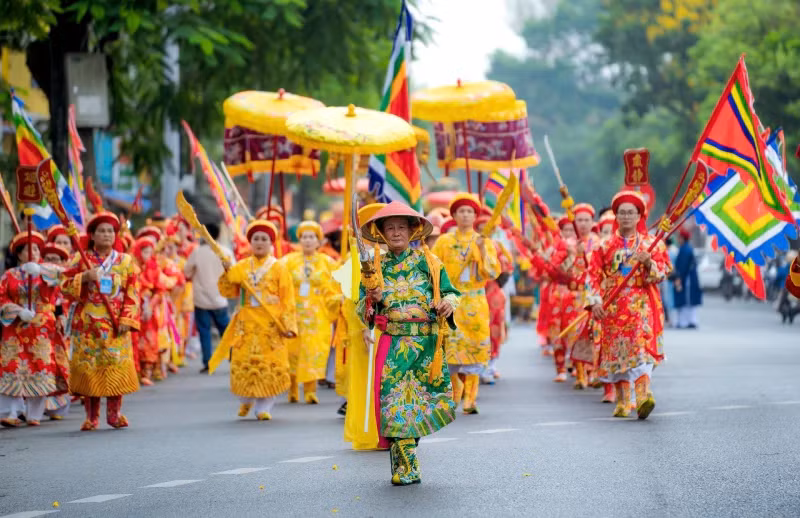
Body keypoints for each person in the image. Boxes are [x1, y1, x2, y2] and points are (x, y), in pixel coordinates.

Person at [357, 201, 459, 486]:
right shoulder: (373, 268)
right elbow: (361, 308)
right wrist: (371, 300)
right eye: (390, 227)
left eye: (402, 227)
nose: (396, 232)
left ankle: (405, 463)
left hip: (426, 345)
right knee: (394, 403)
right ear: (381, 233)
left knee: (418, 404)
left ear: (413, 230)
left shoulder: (430, 263)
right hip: (393, 344)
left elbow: (452, 293)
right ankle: (408, 466)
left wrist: (447, 304)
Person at [587, 191, 671, 419]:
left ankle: (643, 397)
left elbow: (663, 272)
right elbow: (592, 275)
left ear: (639, 216)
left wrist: (649, 263)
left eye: (630, 213)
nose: (626, 217)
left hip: (641, 304)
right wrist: (594, 303)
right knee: (617, 355)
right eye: (622, 213)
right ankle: (623, 402)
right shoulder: (603, 246)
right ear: (615, 215)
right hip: (613, 306)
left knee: (642, 352)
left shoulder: (651, 245)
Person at [61, 212, 141, 431]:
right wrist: (84, 278)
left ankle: (114, 415)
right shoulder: (80, 258)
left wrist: (127, 318)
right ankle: (91, 417)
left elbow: (132, 291)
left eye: (110, 231)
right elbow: (63, 286)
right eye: (102, 231)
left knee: (115, 366)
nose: (107, 235)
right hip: (87, 326)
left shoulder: (125, 262)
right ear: (92, 235)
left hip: (115, 324)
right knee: (90, 369)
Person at [211, 220, 297, 421]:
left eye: (264, 239)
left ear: (271, 242)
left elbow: (288, 298)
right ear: (250, 242)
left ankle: (264, 406)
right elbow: (228, 290)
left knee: (270, 363)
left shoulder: (279, 268)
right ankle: (246, 399)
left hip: (270, 323)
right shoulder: (241, 266)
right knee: (245, 362)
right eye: (256, 239)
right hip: (247, 323)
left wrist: (289, 324)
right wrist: (227, 271)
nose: (260, 242)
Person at [431, 193, 499, 414]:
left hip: (475, 301)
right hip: (450, 300)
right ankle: (454, 392)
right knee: (449, 347)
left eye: (470, 211)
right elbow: (433, 268)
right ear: (454, 215)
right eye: (461, 211)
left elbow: (492, 271)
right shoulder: (444, 242)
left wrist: (480, 250)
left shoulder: (484, 241)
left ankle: (471, 399)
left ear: (475, 216)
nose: (466, 215)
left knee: (474, 349)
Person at [0, 232, 63, 427]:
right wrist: (17, 310)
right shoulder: (9, 275)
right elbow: (2, 298)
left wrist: (40, 271)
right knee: (11, 366)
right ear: (19, 254)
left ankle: (34, 413)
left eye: (36, 249)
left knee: (40, 365)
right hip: (16, 327)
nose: (33, 252)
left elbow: (63, 276)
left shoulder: (47, 271)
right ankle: (10, 411)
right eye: (28, 249)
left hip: (40, 327)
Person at [282, 221, 342, 404]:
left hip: (318, 316)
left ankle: (310, 389)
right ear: (299, 240)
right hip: (294, 314)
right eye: (304, 237)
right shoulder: (288, 261)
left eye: (312, 237)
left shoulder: (328, 262)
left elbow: (338, 283)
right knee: (292, 351)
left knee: (314, 351)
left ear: (318, 241)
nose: (308, 241)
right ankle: (292, 387)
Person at [184, 223, 231, 373]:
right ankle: (235, 358)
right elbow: (234, 271)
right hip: (220, 298)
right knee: (227, 331)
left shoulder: (198, 252)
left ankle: (208, 362)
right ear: (217, 235)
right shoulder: (225, 251)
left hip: (201, 299)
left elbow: (186, 272)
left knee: (204, 331)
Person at [672, 228, 702, 329]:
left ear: (683, 238)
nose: (678, 239)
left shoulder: (685, 249)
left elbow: (682, 266)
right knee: (689, 301)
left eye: (679, 237)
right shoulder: (687, 248)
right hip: (690, 278)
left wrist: (678, 278)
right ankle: (691, 320)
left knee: (685, 300)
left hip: (686, 279)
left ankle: (684, 322)